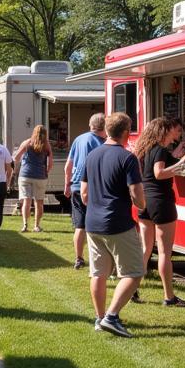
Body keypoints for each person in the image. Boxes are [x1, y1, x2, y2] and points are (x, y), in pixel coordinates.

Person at [81, 112, 146, 338]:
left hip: (93, 222)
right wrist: (142, 204)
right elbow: (137, 194)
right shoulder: (128, 158)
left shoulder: (92, 155)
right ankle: (111, 316)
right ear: (127, 133)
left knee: (98, 272)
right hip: (117, 222)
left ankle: (100, 318)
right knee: (135, 272)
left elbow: (84, 193)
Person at [134, 116, 185, 307]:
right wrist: (182, 163)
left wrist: (178, 156)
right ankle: (169, 296)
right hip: (161, 202)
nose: (173, 132)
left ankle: (133, 289)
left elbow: (157, 168)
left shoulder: (145, 149)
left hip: (145, 201)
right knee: (164, 253)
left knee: (145, 249)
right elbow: (160, 173)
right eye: (170, 129)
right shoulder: (160, 149)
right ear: (163, 131)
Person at [65, 114, 106, 269]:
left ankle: (79, 258)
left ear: (90, 125)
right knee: (98, 226)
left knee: (80, 225)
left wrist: (67, 184)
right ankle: (100, 260)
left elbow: (68, 165)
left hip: (76, 186)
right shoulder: (103, 143)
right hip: (94, 187)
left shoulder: (79, 139)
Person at [13, 125, 52, 233]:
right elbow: (50, 164)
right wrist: (45, 172)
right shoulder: (47, 145)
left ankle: (25, 225)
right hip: (40, 176)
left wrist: (22, 164)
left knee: (26, 201)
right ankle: (36, 226)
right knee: (39, 202)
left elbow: (16, 157)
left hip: (25, 175)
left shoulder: (27, 143)